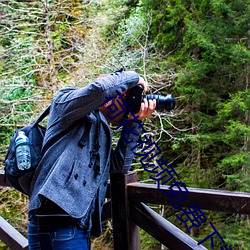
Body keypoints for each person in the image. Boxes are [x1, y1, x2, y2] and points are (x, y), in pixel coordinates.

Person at [27, 70, 156, 250]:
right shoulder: (66, 101)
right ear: (114, 93)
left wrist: (134, 122)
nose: (128, 107)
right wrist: (134, 78)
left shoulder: (101, 129)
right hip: (59, 223)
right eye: (127, 100)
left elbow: (118, 167)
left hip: (73, 225)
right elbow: (100, 89)